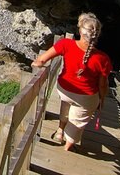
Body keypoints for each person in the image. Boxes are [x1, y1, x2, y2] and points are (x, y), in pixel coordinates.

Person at [30, 12, 112, 151]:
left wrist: (36, 66)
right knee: (77, 122)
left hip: (65, 89)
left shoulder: (65, 44)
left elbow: (41, 60)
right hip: (86, 97)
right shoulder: (103, 59)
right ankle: (67, 147)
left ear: (80, 30)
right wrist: (102, 98)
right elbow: (102, 84)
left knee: (65, 106)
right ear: (97, 35)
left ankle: (60, 131)